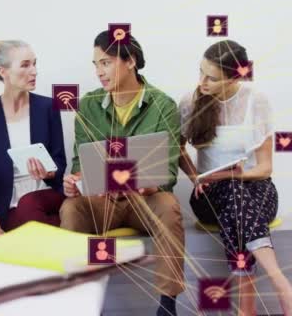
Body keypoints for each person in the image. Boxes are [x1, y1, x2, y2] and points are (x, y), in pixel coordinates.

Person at [59, 31, 185, 316]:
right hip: (104, 200)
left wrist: (150, 185)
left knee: (170, 206)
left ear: (131, 61)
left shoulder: (163, 105)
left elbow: (168, 170)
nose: (99, 72)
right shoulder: (88, 105)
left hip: (145, 200)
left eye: (105, 63)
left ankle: (167, 305)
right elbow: (80, 162)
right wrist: (75, 181)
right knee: (71, 208)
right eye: (95, 65)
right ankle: (78, 301)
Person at [179, 40, 292, 314]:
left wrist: (240, 174)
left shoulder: (257, 101)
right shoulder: (190, 102)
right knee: (231, 190)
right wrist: (196, 178)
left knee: (236, 195)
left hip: (257, 189)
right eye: (201, 72)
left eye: (212, 78)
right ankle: (281, 283)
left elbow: (264, 168)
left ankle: (247, 310)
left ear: (234, 77)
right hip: (209, 198)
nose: (202, 82)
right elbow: (177, 149)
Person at [0, 40, 67, 237]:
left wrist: (48, 172)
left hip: (47, 195)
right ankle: (65, 238)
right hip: (10, 204)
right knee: (26, 214)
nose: (34, 71)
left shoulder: (48, 107)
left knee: (29, 206)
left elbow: (59, 162)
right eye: (25, 65)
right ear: (3, 72)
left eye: (35, 63)